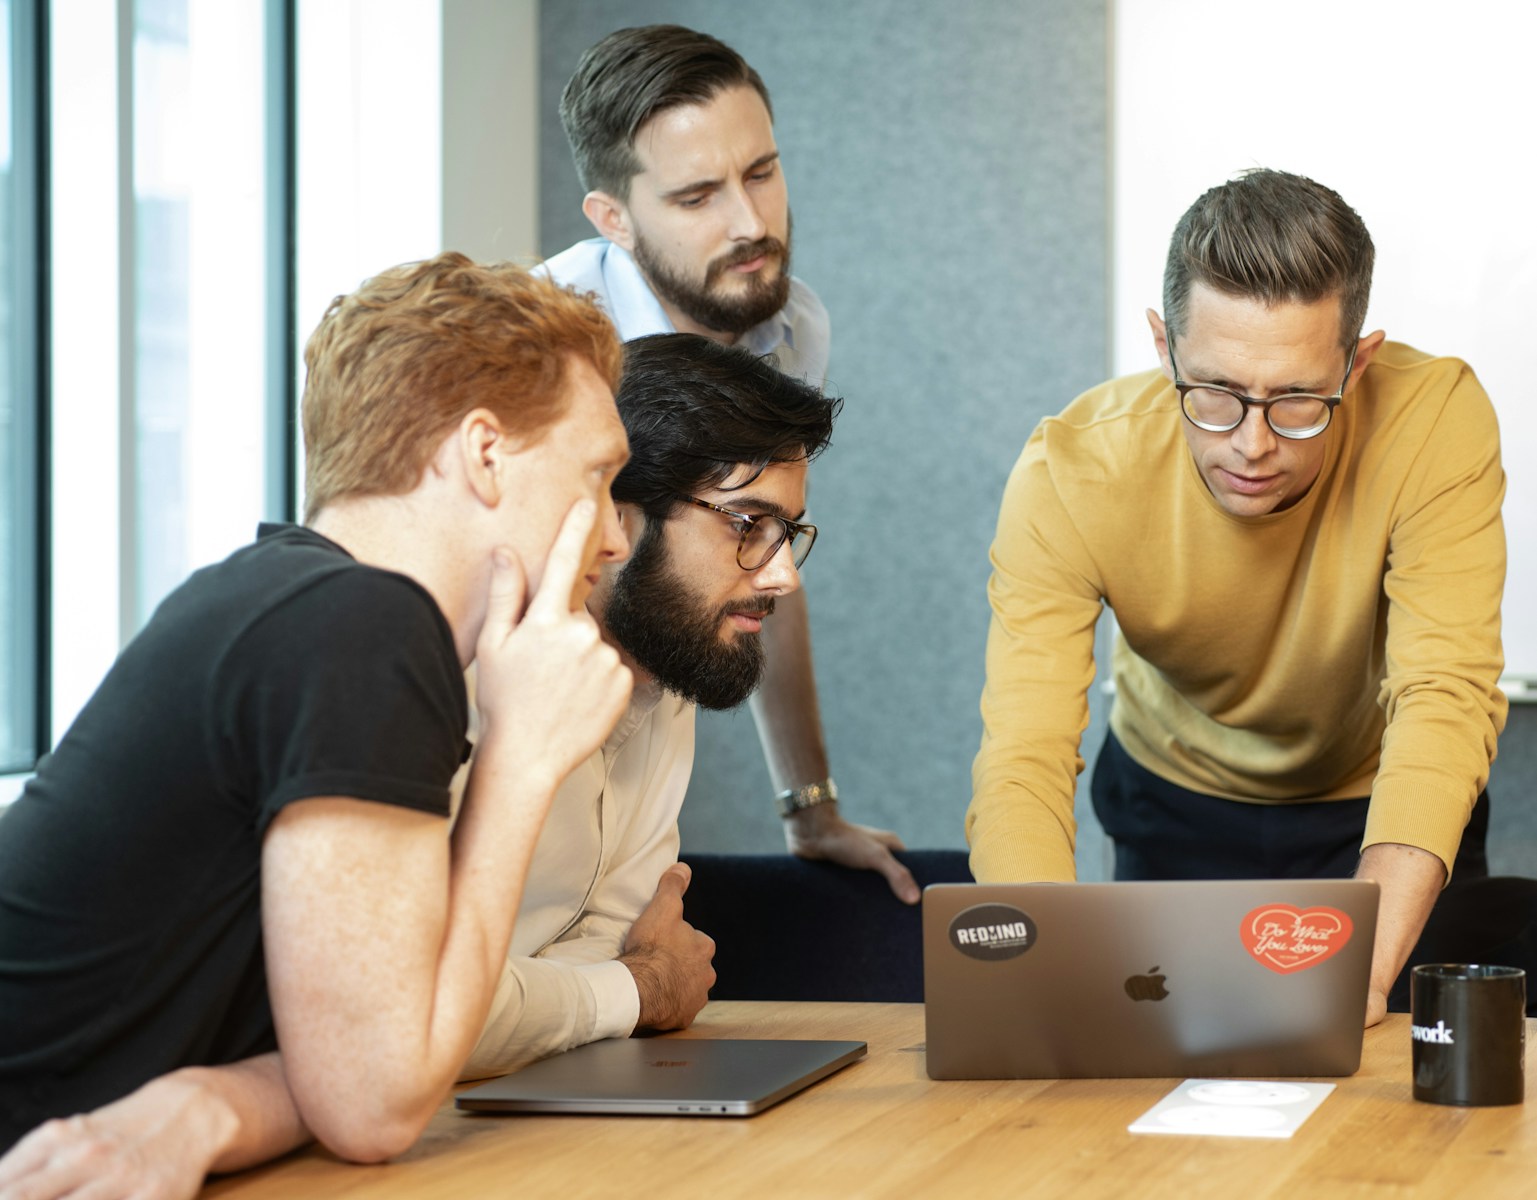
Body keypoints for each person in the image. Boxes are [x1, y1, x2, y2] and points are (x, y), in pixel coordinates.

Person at [0, 253, 634, 1188]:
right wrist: (523, 758)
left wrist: (213, 1104)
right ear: (485, 453)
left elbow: (354, 1052)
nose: (616, 535)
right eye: (600, 476)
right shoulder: (362, 628)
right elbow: (376, 1103)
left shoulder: (301, 599)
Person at [967, 169, 1507, 1026]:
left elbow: (1444, 694)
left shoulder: (1433, 418)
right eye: (1212, 394)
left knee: (1407, 1096)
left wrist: (1363, 975)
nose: (1251, 445)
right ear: (1162, 346)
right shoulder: (1069, 474)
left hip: (1379, 807)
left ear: (1355, 363)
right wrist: (1040, 966)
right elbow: (1024, 751)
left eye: (1296, 400)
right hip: (1173, 802)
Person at [543, 23, 919, 904]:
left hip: (645, 783)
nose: (750, 223)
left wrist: (809, 807)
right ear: (613, 220)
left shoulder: (791, 327)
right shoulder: (544, 354)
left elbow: (758, 553)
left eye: (761, 172)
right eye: (697, 196)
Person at [464, 331, 839, 1075]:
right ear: (614, 516)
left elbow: (618, 943)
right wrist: (634, 992)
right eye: (746, 526)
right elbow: (423, 1016)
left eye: (787, 533)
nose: (782, 579)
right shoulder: (449, 679)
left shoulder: (665, 674)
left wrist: (590, 989)